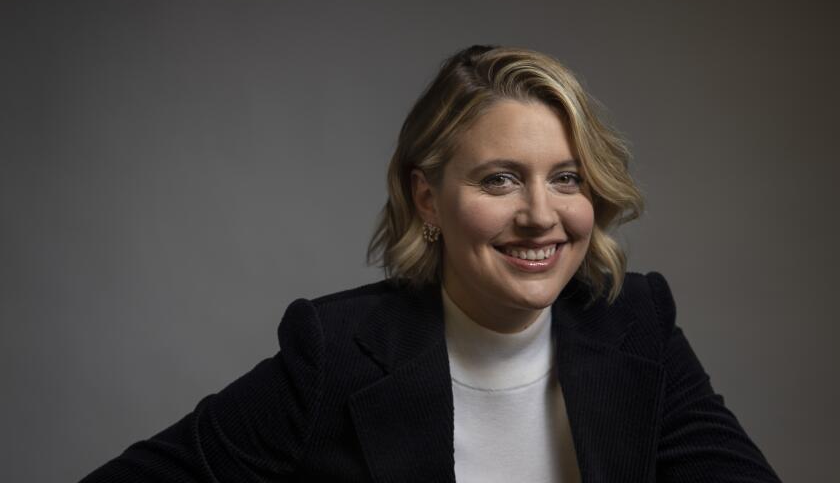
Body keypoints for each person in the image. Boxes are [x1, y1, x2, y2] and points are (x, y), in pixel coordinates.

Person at [82, 46, 781, 482]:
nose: (542, 214)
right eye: (500, 180)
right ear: (428, 199)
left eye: (566, 178)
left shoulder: (636, 322)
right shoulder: (337, 355)